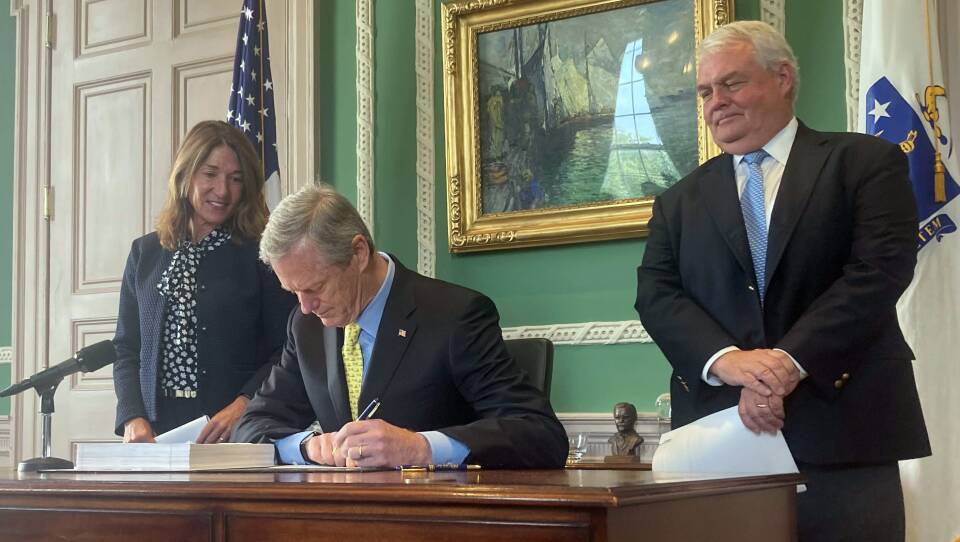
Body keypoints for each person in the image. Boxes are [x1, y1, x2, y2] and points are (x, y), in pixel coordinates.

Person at [634, 21, 930, 541]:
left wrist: (787, 364)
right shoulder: (678, 201)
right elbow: (657, 296)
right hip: (722, 445)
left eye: (732, 83)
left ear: (784, 77)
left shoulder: (862, 162)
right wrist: (729, 363)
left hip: (844, 432)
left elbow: (879, 270)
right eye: (705, 91)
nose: (715, 102)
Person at [232, 185, 568, 469]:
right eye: (293, 292)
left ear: (359, 253)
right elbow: (250, 427)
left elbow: (540, 433)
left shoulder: (455, 316)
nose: (304, 306)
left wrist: (420, 447)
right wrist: (308, 447)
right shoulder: (305, 326)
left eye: (315, 288)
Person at [113, 120, 296, 444]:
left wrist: (245, 403)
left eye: (235, 179)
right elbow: (127, 348)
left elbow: (287, 348)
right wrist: (132, 415)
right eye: (210, 174)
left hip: (234, 430)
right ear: (185, 174)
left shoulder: (263, 254)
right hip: (155, 434)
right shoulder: (145, 253)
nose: (223, 191)